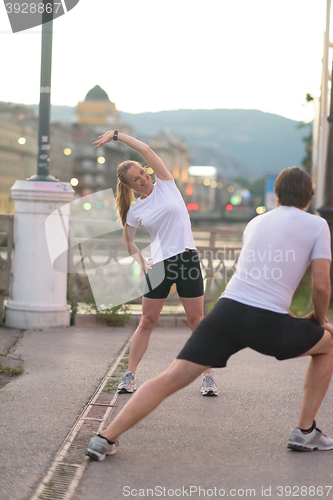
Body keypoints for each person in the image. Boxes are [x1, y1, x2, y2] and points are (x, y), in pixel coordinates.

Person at [86, 166, 333, 461]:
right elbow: (321, 286)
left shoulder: (255, 223)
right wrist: (319, 321)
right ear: (310, 196)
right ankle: (305, 432)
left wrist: (289, 315)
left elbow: (256, 280)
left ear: (277, 197)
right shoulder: (318, 225)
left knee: (172, 376)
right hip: (268, 321)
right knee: (328, 345)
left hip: (227, 311)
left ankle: (104, 438)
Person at [92, 129, 218, 397]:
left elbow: (147, 150)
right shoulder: (135, 209)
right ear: (129, 186)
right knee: (147, 321)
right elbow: (128, 242)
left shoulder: (166, 184)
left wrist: (117, 135)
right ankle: (129, 375)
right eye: (136, 180)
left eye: (142, 174)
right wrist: (142, 260)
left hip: (187, 258)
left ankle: (208, 376)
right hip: (159, 265)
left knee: (197, 320)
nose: (143, 180)